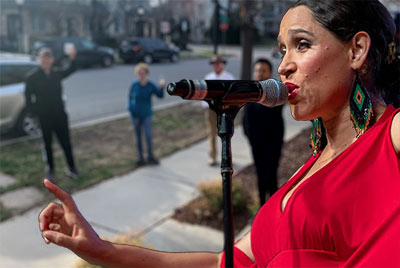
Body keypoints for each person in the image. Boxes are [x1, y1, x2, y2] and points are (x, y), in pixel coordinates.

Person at [38, 0, 400, 266]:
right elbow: (219, 263)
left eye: (301, 44)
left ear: (357, 49)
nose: (284, 65)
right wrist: (102, 250)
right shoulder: (309, 168)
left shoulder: (391, 137)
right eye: (282, 49)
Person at [25, 47, 81, 181]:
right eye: (43, 58)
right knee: (47, 144)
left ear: (52, 60)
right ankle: (51, 171)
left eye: (48, 58)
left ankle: (72, 168)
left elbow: (71, 69)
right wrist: (34, 114)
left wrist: (72, 58)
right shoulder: (32, 77)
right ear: (39, 59)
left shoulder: (56, 73)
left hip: (60, 115)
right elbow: (28, 99)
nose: (46, 60)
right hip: (44, 117)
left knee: (66, 143)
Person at [243, 58, 284, 207]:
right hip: (256, 143)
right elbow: (246, 119)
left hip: (273, 143)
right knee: (260, 175)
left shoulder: (276, 93)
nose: (259, 73)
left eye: (263, 71)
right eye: (257, 70)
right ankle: (261, 206)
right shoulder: (249, 92)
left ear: (269, 73)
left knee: (271, 175)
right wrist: (250, 137)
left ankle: (273, 207)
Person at [127, 63, 164, 166]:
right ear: (137, 74)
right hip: (135, 115)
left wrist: (161, 88)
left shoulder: (150, 85)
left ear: (147, 74)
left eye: (143, 73)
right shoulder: (134, 85)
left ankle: (150, 157)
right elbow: (129, 97)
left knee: (148, 136)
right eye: (139, 73)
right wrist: (130, 108)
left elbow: (160, 96)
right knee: (138, 137)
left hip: (146, 114)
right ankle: (140, 158)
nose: (141, 75)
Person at [203, 55, 235, 166]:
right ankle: (212, 156)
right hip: (211, 109)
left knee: (225, 133)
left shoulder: (229, 77)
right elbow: (204, 94)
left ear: (222, 64)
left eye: (218, 63)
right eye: (214, 64)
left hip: (224, 109)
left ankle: (226, 157)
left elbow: (233, 95)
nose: (216, 66)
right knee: (211, 133)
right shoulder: (208, 77)